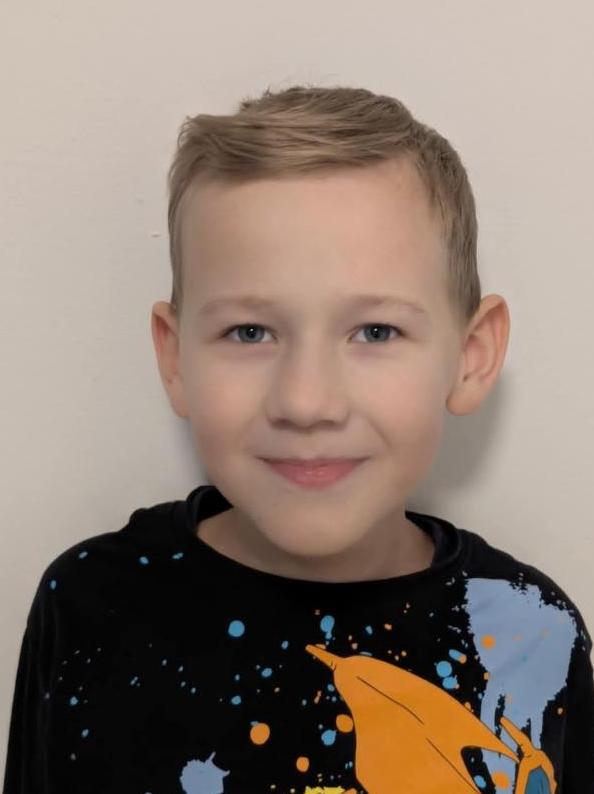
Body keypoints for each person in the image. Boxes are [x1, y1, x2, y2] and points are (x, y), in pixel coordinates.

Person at [3, 84, 593, 794]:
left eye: (375, 331)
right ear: (175, 358)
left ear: (471, 357)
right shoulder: (91, 604)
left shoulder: (531, 632)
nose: (306, 402)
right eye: (250, 332)